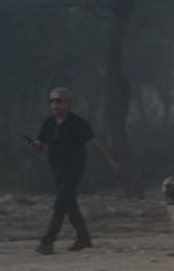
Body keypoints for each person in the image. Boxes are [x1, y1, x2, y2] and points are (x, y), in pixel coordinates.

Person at [28, 87, 118, 255]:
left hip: (74, 168)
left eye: (59, 100)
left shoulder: (78, 123)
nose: (55, 104)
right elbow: (39, 146)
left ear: (68, 103)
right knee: (69, 203)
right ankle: (83, 238)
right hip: (56, 168)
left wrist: (109, 161)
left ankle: (48, 241)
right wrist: (31, 144)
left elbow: (94, 144)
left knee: (61, 202)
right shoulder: (49, 123)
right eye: (52, 101)